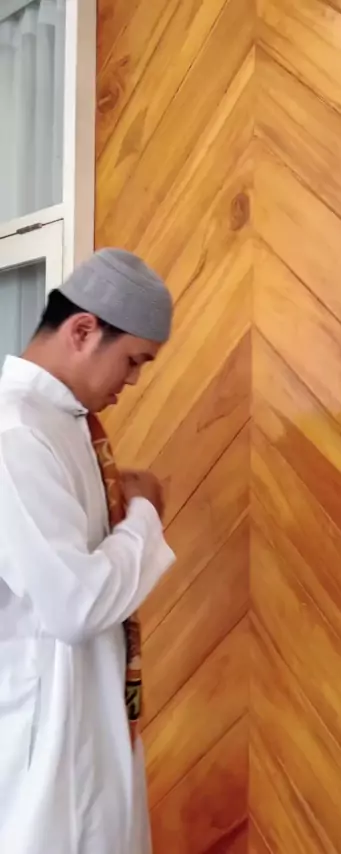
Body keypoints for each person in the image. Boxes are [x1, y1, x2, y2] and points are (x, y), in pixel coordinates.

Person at [0, 248, 176, 854]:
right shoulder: (14, 433)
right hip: (42, 747)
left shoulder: (63, 423)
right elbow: (74, 604)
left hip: (89, 726)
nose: (133, 381)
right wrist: (144, 516)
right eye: (133, 360)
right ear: (82, 331)